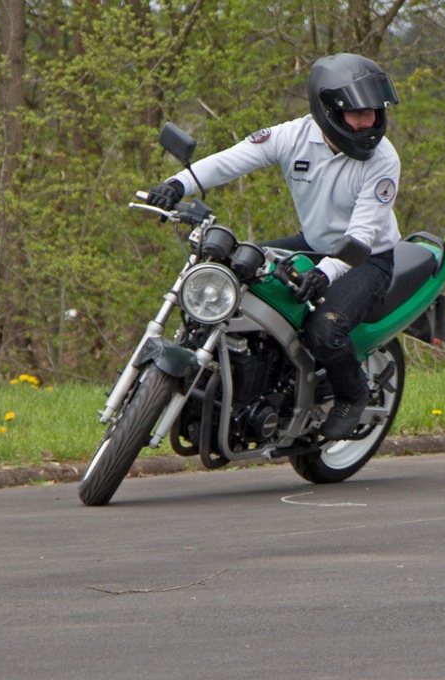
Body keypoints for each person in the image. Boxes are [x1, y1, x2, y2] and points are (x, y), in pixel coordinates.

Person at [148, 53, 402, 441]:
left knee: (324, 331)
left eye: (373, 111)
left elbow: (363, 235)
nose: (368, 122)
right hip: (314, 243)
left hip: (367, 259)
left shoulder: (384, 160)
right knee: (230, 275)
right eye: (357, 113)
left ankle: (352, 394)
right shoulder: (292, 136)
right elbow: (232, 160)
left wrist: (324, 274)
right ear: (328, 110)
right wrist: (177, 184)